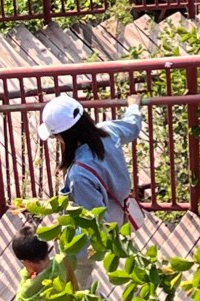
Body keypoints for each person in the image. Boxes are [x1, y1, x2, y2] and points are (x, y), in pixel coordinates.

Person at [38, 92, 146, 280]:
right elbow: (132, 127)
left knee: (77, 278)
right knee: (132, 265)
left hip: (97, 233)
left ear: (63, 136)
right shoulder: (109, 131)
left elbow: (94, 218)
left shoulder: (79, 174)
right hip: (121, 215)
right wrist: (133, 106)